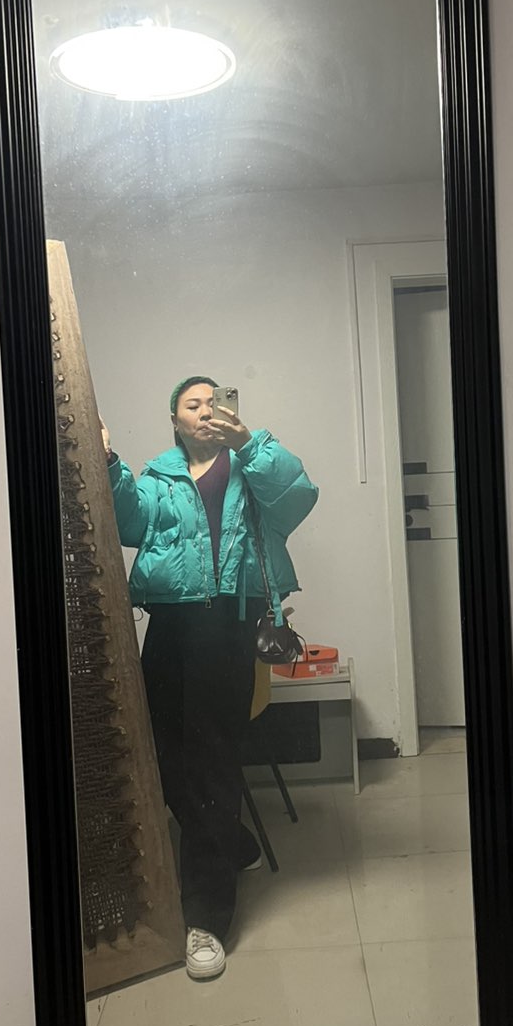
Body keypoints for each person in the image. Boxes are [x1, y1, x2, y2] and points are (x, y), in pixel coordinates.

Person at [102, 376, 318, 980]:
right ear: (174, 419)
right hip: (170, 626)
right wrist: (110, 462)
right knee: (163, 754)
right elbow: (128, 524)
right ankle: (232, 842)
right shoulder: (159, 476)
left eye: (212, 402)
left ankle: (206, 918)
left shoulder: (251, 465)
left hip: (229, 625)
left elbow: (298, 497)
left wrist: (250, 443)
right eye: (191, 404)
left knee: (211, 762)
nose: (204, 412)